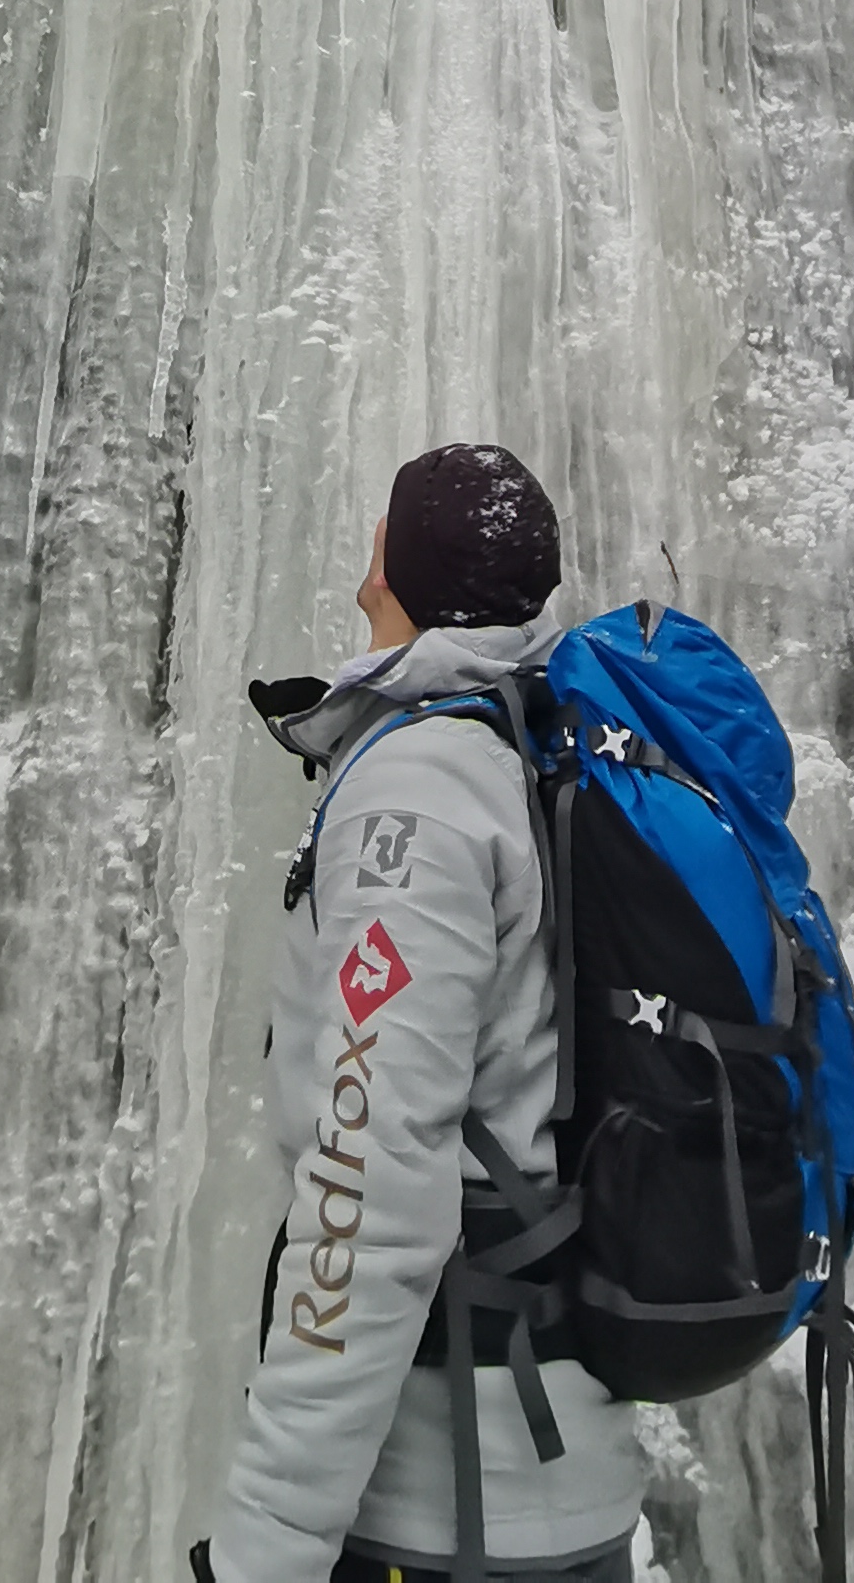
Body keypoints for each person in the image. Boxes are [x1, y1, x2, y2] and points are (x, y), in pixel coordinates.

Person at [199, 443, 644, 1583]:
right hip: (555, 1477)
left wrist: (269, 1547)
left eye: (378, 546)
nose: (359, 578)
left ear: (402, 571)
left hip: (446, 1514)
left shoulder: (421, 798)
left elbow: (372, 1188)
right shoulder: (541, 751)